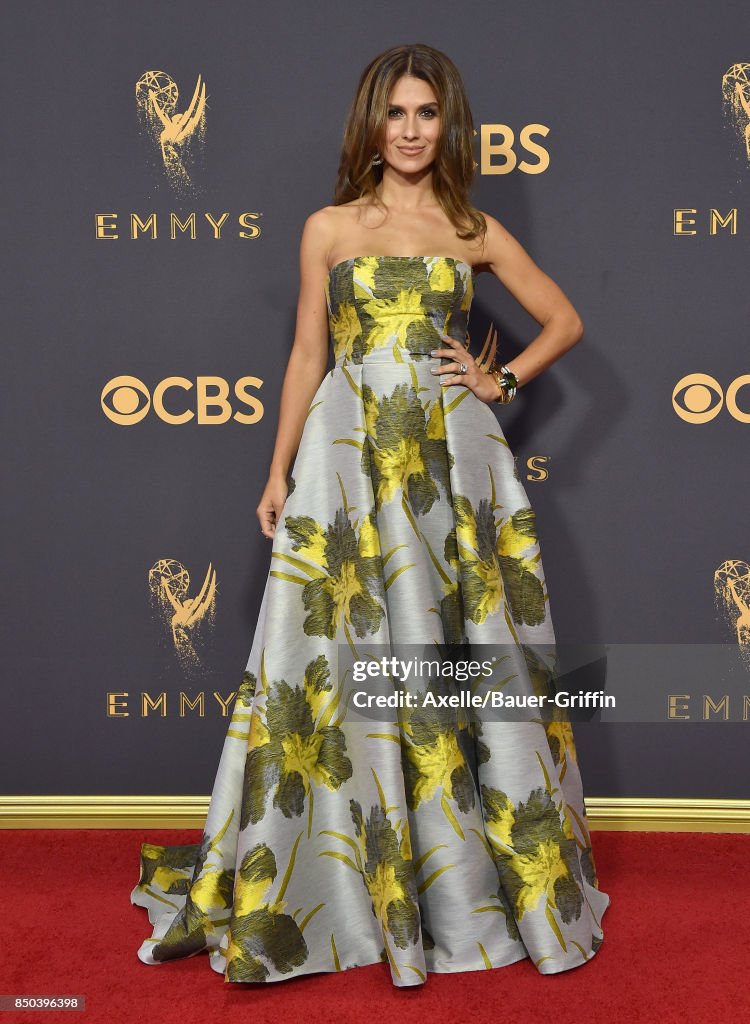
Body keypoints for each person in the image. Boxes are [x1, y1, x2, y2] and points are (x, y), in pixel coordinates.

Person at [131, 42, 610, 987]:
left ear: (448, 124)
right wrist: (278, 472)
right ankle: (361, 880)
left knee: (465, 649)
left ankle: (466, 882)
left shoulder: (472, 225)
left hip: (452, 465)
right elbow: (308, 356)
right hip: (349, 459)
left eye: (428, 114)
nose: (411, 130)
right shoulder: (328, 228)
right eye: (396, 114)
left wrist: (498, 378)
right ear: (370, 124)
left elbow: (563, 321)